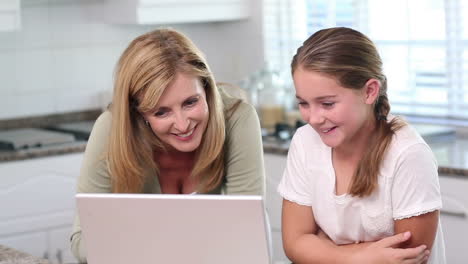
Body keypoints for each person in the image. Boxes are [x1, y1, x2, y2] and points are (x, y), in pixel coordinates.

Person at [70, 28, 265, 262]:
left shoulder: (237, 120)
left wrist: (135, 244)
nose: (183, 125)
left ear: (207, 89)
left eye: (191, 102)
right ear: (138, 112)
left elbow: (247, 236)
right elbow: (82, 242)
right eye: (161, 112)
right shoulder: (112, 129)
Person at [278, 27, 445, 263]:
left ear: (369, 92)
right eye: (304, 103)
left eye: (327, 104)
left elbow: (408, 257)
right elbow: (295, 243)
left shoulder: (408, 154)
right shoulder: (305, 141)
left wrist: (324, 248)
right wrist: (359, 258)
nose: (313, 118)